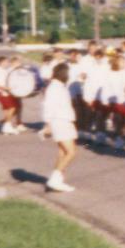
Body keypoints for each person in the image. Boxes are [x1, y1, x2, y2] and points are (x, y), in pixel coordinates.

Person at [40, 62, 78, 192]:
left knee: (62, 152)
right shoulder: (54, 88)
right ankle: (54, 179)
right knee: (71, 152)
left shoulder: (60, 86)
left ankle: (58, 179)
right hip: (60, 122)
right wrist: (48, 125)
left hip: (65, 121)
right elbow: (48, 107)